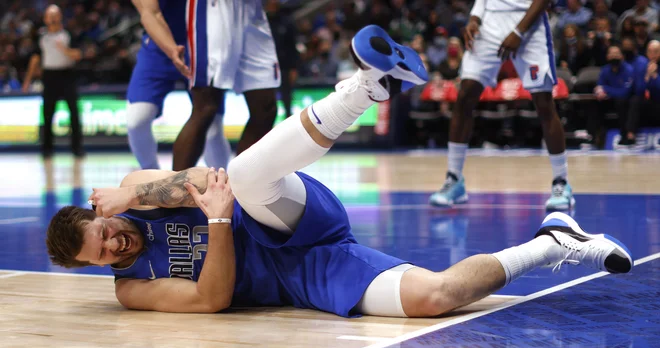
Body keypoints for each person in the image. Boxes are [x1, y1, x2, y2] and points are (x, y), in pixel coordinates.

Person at [45, 26, 633, 317]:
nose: (113, 244)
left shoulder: (130, 194)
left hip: (282, 211)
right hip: (301, 272)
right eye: (100, 255)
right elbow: (211, 298)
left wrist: (146, 196)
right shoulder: (132, 289)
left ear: (98, 213)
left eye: (102, 233)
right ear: (92, 268)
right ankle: (556, 240)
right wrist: (218, 227)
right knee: (437, 295)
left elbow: (208, 181)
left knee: (245, 176)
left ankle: (362, 88)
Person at [428, 0, 575, 211]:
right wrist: (475, 18)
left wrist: (518, 31)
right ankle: (454, 179)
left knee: (543, 102)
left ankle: (561, 182)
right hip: (490, 23)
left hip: (528, 22)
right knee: (465, 94)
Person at [169, 0, 280, 170]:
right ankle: (174, 192)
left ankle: (238, 188)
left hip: (251, 9)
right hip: (213, 8)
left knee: (265, 108)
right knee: (205, 106)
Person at [129, 0, 230, 170]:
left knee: (212, 127)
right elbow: (150, 14)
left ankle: (222, 183)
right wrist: (172, 50)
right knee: (136, 120)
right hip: (158, 47)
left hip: (204, 43)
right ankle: (151, 176)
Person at [23, 5, 83, 159]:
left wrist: (65, 50)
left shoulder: (68, 34)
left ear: (60, 16)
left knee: (74, 113)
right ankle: (47, 149)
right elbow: (35, 58)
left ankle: (77, 149)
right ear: (45, 18)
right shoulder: (41, 36)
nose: (53, 18)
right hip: (49, 76)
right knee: (48, 114)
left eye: (55, 15)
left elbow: (78, 54)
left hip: (67, 75)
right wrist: (27, 81)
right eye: (50, 15)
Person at [588, 45, 634, 148]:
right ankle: (595, 136)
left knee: (621, 102)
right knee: (595, 102)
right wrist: (599, 92)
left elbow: (625, 92)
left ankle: (624, 135)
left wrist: (607, 89)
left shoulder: (628, 70)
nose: (614, 56)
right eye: (611, 54)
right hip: (609, 100)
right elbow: (599, 87)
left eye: (616, 54)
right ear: (607, 57)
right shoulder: (605, 70)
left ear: (622, 56)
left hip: (625, 101)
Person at [620, 35, 649, 145]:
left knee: (635, 100)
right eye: (624, 46)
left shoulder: (641, 62)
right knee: (620, 101)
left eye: (629, 46)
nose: (626, 48)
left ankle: (631, 133)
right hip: (625, 93)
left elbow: (640, 87)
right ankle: (622, 133)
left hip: (640, 95)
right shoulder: (621, 63)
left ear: (634, 48)